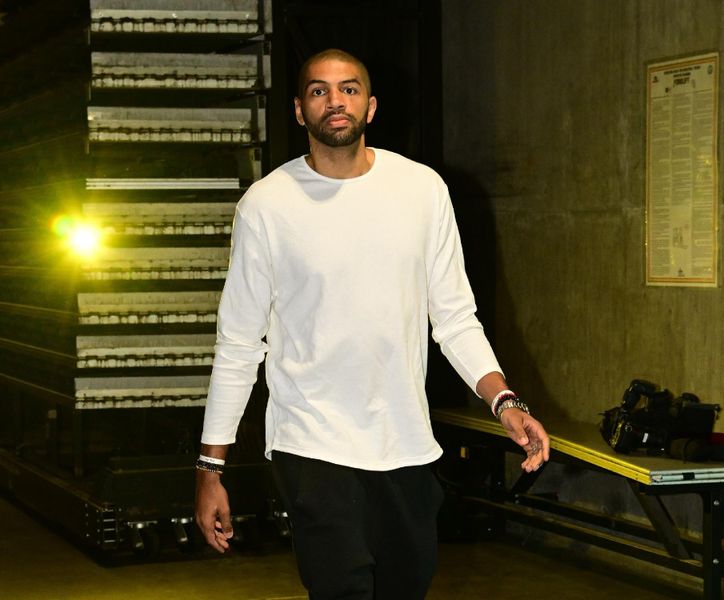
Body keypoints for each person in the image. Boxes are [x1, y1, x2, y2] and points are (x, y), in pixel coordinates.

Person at [195, 48, 550, 599]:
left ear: (371, 104)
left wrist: (504, 400)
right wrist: (209, 466)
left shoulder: (422, 191)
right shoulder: (265, 207)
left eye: (349, 88)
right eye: (319, 90)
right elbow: (239, 344)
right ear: (298, 110)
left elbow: (454, 317)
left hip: (404, 443)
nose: (335, 100)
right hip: (311, 443)